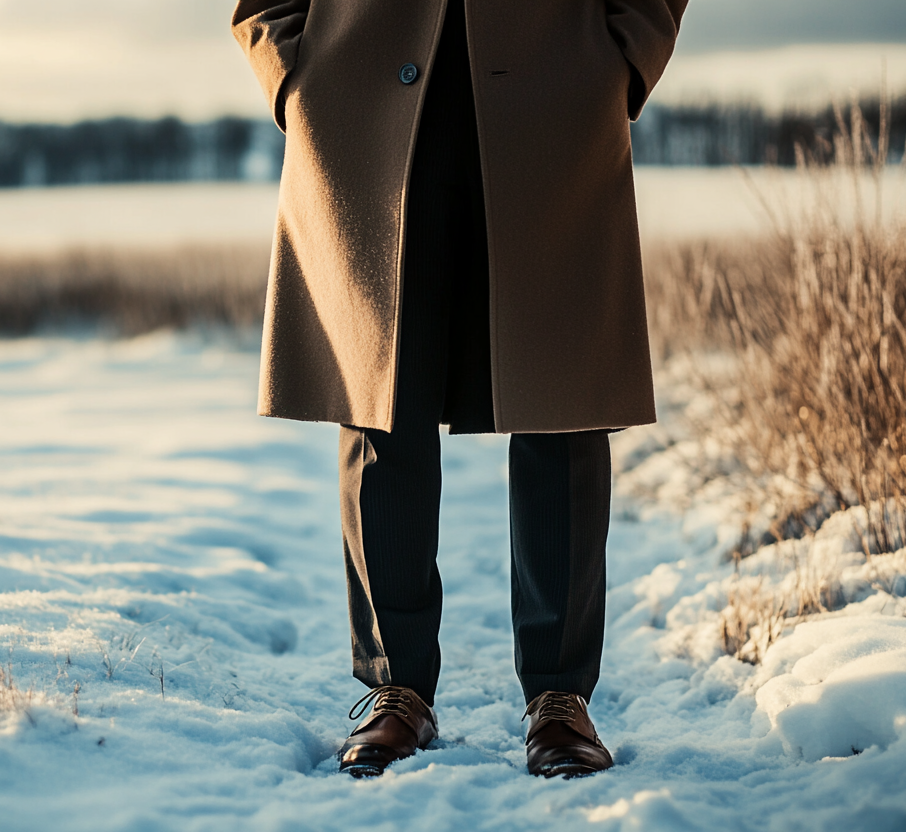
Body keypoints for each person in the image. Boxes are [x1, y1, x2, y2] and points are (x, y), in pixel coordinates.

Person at [231, 0, 685, 778]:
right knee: (383, 399)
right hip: (362, 100)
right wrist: (292, 74)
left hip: (557, 97)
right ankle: (395, 690)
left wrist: (622, 58)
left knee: (561, 399)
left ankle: (559, 700)